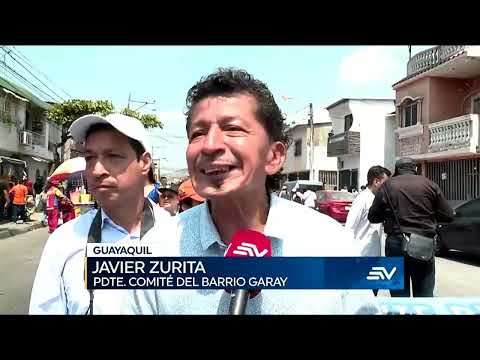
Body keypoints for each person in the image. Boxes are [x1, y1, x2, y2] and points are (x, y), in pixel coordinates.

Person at [125, 68, 376, 315]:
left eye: (233, 128)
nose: (210, 145)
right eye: (198, 133)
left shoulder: (330, 243)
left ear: (274, 156)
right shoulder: (157, 249)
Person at [29, 113, 175, 314]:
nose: (97, 170)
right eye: (90, 158)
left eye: (113, 156)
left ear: (144, 162)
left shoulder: (177, 235)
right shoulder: (64, 241)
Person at [368, 158, 454, 297]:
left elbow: (373, 217)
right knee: (424, 294)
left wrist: (389, 214)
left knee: (399, 295)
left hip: (395, 243)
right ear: (416, 169)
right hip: (423, 243)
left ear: (397, 170)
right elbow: (448, 216)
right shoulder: (430, 185)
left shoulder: (387, 186)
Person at [345, 166, 391, 296]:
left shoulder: (378, 199)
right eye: (385, 183)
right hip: (361, 257)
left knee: (372, 297)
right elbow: (349, 228)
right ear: (376, 182)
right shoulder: (362, 200)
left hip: (374, 258)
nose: (387, 187)